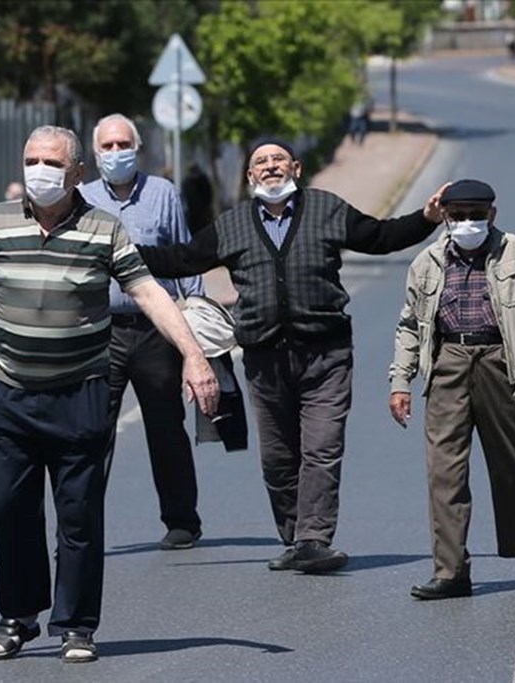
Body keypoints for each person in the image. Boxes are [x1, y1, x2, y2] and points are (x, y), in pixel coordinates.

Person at [0, 125, 218, 662]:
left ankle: (76, 624)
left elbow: (148, 293)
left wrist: (193, 354)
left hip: (80, 395)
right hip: (9, 394)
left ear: (77, 173)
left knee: (78, 514)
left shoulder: (104, 228)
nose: (39, 171)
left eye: (51, 163)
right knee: (8, 508)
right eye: (31, 160)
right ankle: (18, 616)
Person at [136, 137, 446, 574]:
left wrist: (426, 218)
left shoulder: (327, 209)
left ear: (296, 168)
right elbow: (180, 259)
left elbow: (381, 236)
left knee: (321, 449)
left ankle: (314, 538)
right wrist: (115, 251)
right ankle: (293, 537)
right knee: (278, 459)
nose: (270, 166)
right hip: (265, 361)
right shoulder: (232, 224)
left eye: (278, 159)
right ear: (249, 176)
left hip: (326, 354)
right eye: (260, 161)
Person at [388, 179, 515, 600]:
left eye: (476, 215)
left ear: (492, 216)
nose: (467, 222)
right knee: (444, 473)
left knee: (513, 464)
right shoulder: (427, 261)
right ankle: (451, 571)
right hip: (448, 362)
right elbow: (410, 325)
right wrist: (401, 381)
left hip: (501, 362)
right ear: (445, 217)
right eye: (459, 215)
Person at [80, 113, 206, 551]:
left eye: (123, 145)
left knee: (167, 427)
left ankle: (182, 520)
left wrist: (196, 329)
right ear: (95, 155)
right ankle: (82, 526)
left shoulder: (163, 193)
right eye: (108, 147)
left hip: (155, 331)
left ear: (138, 148)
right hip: (101, 333)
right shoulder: (80, 198)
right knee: (92, 432)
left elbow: (184, 255)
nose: (116, 153)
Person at [182, 162, 216, 235]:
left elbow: (208, 195)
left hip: (199, 214)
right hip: (194, 215)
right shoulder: (187, 182)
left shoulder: (201, 181)